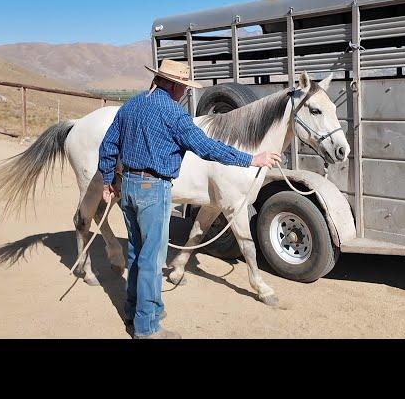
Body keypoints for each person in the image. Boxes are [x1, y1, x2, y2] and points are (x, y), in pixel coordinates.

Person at [98, 59, 282, 339]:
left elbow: (109, 144)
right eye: (183, 87)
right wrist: (252, 159)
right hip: (154, 189)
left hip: (130, 186)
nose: (184, 93)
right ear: (172, 84)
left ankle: (135, 311)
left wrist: (109, 179)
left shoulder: (131, 105)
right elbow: (206, 148)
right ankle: (147, 329)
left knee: (136, 253)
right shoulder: (174, 115)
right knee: (151, 258)